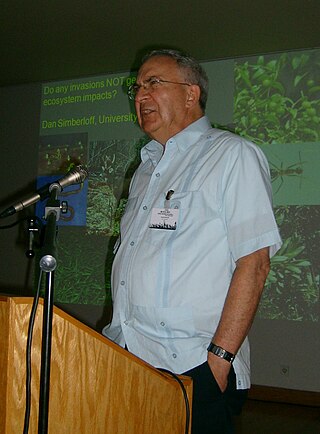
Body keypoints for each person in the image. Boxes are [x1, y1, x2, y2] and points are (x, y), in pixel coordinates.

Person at [103, 49, 282, 433]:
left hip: (191, 365)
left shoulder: (231, 155)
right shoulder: (145, 170)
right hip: (130, 360)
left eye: (153, 83)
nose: (139, 96)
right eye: (136, 87)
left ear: (191, 93)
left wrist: (217, 362)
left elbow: (254, 263)